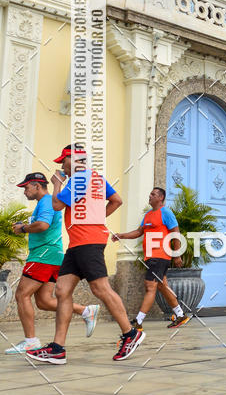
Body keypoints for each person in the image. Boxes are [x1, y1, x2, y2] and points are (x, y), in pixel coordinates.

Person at [26, 145, 145, 364]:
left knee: (101, 288)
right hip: (78, 243)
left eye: (64, 161)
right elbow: (117, 200)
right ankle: (58, 349)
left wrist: (57, 183)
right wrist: (97, 218)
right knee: (62, 290)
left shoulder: (80, 179)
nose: (61, 166)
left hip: (88, 242)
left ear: (76, 159)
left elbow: (57, 205)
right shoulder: (96, 177)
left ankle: (130, 333)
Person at [5, 172, 98, 354]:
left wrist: (23, 228)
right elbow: (41, 224)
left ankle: (31, 341)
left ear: (37, 186)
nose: (24, 191)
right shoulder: (44, 203)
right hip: (52, 256)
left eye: (26, 187)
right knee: (44, 301)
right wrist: (25, 226)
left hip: (43, 255)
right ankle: (86, 311)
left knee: (21, 295)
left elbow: (43, 225)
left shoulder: (46, 202)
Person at [112, 187, 189, 330]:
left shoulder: (166, 213)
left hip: (160, 256)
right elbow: (138, 232)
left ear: (161, 198)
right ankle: (180, 315)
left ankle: (138, 321)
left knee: (150, 287)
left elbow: (175, 233)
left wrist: (177, 254)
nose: (150, 196)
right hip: (151, 257)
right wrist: (121, 235)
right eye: (150, 194)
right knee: (161, 286)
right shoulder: (147, 215)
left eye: (153, 194)